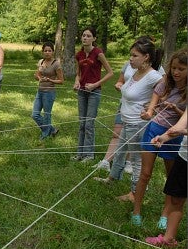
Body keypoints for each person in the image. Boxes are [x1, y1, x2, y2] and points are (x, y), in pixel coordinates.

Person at [93, 38, 163, 220]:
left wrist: (153, 106)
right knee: (121, 150)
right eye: (130, 55)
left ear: (146, 57)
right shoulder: (136, 73)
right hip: (127, 121)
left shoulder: (154, 76)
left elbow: (168, 93)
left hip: (138, 124)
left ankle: (134, 193)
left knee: (137, 159)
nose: (130, 59)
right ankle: (112, 177)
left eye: (135, 56)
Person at [130, 48, 187, 227]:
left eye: (181, 69)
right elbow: (152, 107)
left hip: (174, 136)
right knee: (145, 173)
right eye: (174, 68)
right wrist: (148, 113)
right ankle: (136, 211)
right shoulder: (164, 83)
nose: (176, 72)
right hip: (154, 130)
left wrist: (176, 109)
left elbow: (184, 119)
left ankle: (165, 214)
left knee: (171, 178)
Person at [145, 107, 187, 249]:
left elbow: (182, 129)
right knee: (176, 200)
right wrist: (163, 137)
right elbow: (180, 126)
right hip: (184, 156)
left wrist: (183, 131)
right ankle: (169, 238)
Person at [72, 26, 113, 162]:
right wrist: (77, 82)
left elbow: (110, 73)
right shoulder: (79, 55)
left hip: (94, 92)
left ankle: (89, 155)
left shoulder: (98, 53)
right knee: (82, 123)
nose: (85, 38)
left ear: (94, 39)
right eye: (83, 35)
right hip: (82, 92)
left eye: (88, 36)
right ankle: (80, 153)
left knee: (89, 123)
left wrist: (95, 85)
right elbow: (78, 74)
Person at [32, 41, 64, 140]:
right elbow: (36, 75)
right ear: (43, 52)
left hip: (49, 93)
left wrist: (50, 80)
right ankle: (52, 129)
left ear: (53, 52)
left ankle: (45, 135)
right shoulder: (41, 62)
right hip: (40, 91)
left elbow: (61, 81)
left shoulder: (56, 64)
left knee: (47, 115)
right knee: (35, 114)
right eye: (45, 50)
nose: (47, 52)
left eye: (49, 50)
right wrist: (39, 78)